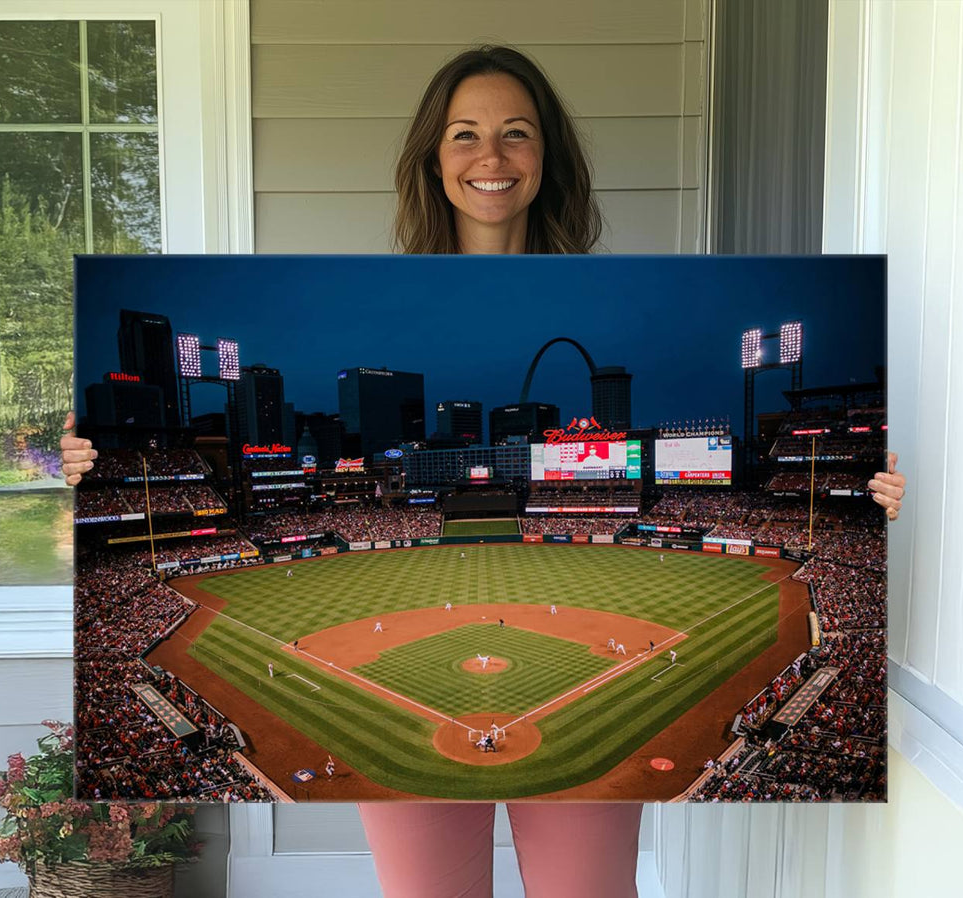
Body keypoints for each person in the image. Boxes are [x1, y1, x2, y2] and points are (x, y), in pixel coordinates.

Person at [60, 43, 907, 898]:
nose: (490, 157)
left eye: (517, 134)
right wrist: (76, 465)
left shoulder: (617, 278)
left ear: (549, 157)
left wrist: (880, 490)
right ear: (433, 157)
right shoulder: (373, 277)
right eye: (464, 134)